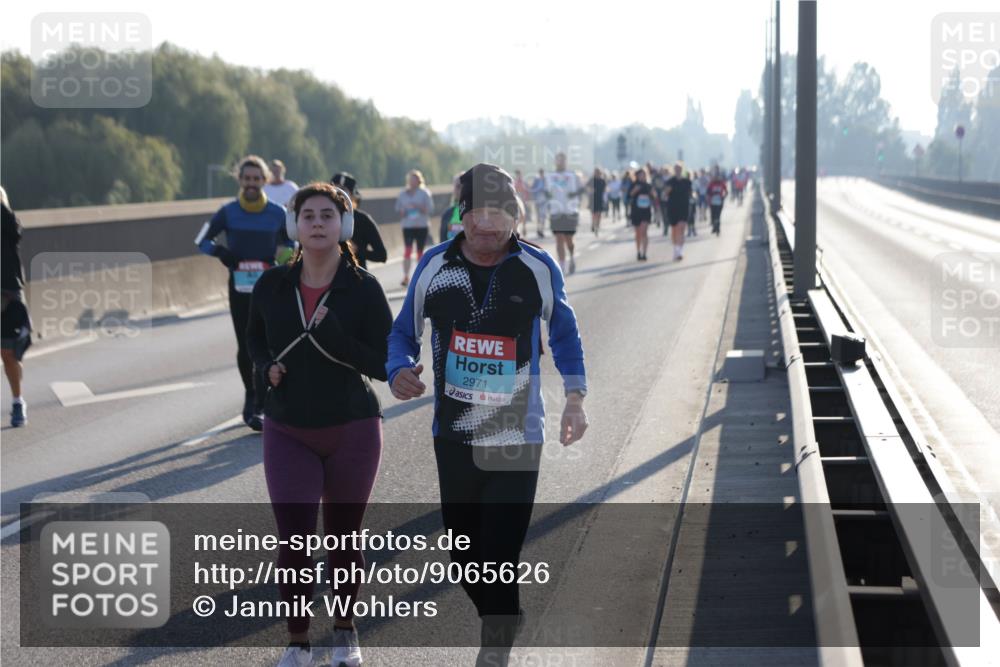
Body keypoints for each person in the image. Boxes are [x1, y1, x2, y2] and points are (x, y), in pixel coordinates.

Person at [387, 163, 588, 667]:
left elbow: (564, 332)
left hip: (516, 433)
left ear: (516, 216)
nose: (486, 224)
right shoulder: (435, 265)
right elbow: (403, 333)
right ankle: (505, 616)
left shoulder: (537, 267)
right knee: (464, 560)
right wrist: (397, 369)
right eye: (475, 212)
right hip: (453, 434)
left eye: (499, 212)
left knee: (499, 553)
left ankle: (494, 649)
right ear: (461, 215)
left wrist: (575, 397)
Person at [247, 182, 392, 667]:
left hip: (353, 428)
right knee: (294, 540)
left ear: (344, 224)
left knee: (344, 539)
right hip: (288, 429)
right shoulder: (271, 285)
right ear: (294, 225)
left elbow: (383, 362)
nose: (317, 223)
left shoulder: (363, 288)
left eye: (327, 215)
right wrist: (265, 366)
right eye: (307, 215)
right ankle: (297, 641)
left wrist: (336, 338)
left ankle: (345, 632)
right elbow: (254, 341)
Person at [196, 155, 293, 431]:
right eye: (247, 178)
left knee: (270, 343)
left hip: (269, 287)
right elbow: (201, 241)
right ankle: (251, 397)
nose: (251, 183)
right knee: (246, 344)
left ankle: (263, 402)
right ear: (239, 180)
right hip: (239, 287)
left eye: (256, 179)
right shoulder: (227, 212)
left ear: (265, 181)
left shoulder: (277, 213)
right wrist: (222, 253)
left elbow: (292, 243)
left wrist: (282, 259)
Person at [1, 188, 30, 427]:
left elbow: (15, 230)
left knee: (8, 353)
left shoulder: (8, 225)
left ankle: (17, 401)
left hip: (7, 294)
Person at [331, 172, 387, 270]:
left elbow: (381, 255)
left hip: (356, 275)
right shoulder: (321, 219)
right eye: (335, 190)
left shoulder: (363, 220)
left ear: (352, 196)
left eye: (344, 191)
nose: (339, 195)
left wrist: (357, 250)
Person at [545, 153, 584, 275]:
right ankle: (562, 266)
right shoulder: (550, 176)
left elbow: (581, 189)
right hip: (556, 211)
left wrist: (574, 194)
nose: (560, 162)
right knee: (559, 238)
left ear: (566, 162)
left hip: (570, 211)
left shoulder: (573, 175)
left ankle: (571, 257)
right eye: (558, 160)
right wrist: (548, 195)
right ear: (555, 162)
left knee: (569, 240)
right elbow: (546, 191)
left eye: (562, 160)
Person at [395, 169, 435, 287]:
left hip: (421, 226)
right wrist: (403, 211)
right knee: (407, 250)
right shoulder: (403, 193)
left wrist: (419, 207)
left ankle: (420, 275)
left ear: (419, 181)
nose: (412, 182)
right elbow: (398, 208)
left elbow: (430, 209)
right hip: (408, 226)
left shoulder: (425, 193)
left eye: (414, 180)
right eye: (410, 180)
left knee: (420, 251)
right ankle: (406, 276)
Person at [663, 163, 693, 261]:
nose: (678, 170)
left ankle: (680, 251)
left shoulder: (687, 181)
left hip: (684, 207)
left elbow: (691, 193)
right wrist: (668, 191)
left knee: (682, 228)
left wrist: (693, 197)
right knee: (674, 230)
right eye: (676, 169)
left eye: (679, 169)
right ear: (674, 170)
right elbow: (664, 194)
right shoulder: (670, 181)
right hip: (673, 207)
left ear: (682, 170)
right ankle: (675, 249)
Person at [628, 167, 656, 261]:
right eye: (640, 175)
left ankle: (644, 253)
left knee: (644, 231)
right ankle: (638, 251)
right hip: (636, 210)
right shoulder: (633, 185)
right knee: (638, 233)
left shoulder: (648, 185)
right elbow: (629, 196)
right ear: (636, 176)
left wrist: (653, 193)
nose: (642, 177)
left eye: (643, 175)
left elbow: (654, 197)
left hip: (646, 211)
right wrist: (635, 190)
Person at [439, 174, 464, 244]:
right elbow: (442, 241)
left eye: (464, 186)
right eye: (458, 186)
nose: (461, 190)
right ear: (454, 189)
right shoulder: (447, 214)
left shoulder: (476, 214)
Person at [707, 166, 729, 235]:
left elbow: (726, 191)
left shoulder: (722, 183)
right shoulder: (711, 184)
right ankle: (714, 226)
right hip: (712, 202)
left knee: (718, 215)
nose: (717, 178)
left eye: (718, 177)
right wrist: (709, 198)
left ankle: (718, 228)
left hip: (719, 202)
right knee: (713, 215)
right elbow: (708, 192)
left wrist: (723, 197)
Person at [586, 168, 607, 236]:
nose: (597, 174)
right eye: (596, 172)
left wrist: (605, 198)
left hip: (600, 199)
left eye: (598, 172)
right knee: (593, 214)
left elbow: (605, 190)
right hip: (593, 199)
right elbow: (586, 187)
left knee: (599, 214)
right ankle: (593, 224)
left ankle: (597, 226)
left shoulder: (602, 181)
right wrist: (590, 190)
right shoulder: (592, 180)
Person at [529, 168, 548, 238]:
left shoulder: (546, 180)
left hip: (544, 200)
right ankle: (538, 229)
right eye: (540, 173)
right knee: (538, 216)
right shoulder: (536, 180)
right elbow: (532, 189)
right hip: (538, 200)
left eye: (542, 173)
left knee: (543, 216)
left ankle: (541, 230)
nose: (541, 174)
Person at [513, 169, 532, 238]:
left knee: (523, 214)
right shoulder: (514, 182)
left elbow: (527, 191)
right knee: (518, 215)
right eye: (517, 174)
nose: (518, 175)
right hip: (517, 199)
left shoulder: (523, 182)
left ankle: (524, 228)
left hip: (523, 199)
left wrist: (528, 199)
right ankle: (517, 229)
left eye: (519, 174)